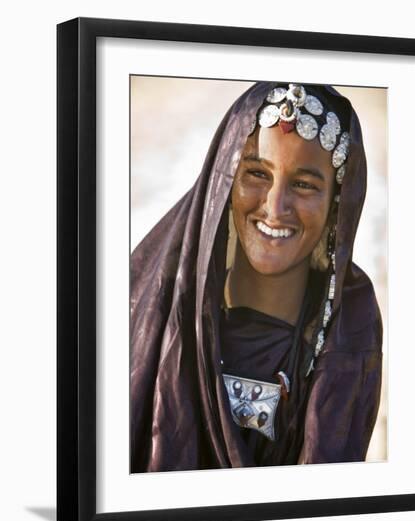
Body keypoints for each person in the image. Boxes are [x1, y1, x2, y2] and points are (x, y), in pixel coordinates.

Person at [130, 81, 383, 473]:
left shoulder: (348, 324)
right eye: (256, 174)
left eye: (303, 184)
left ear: (337, 202)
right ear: (224, 181)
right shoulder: (149, 310)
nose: (274, 206)